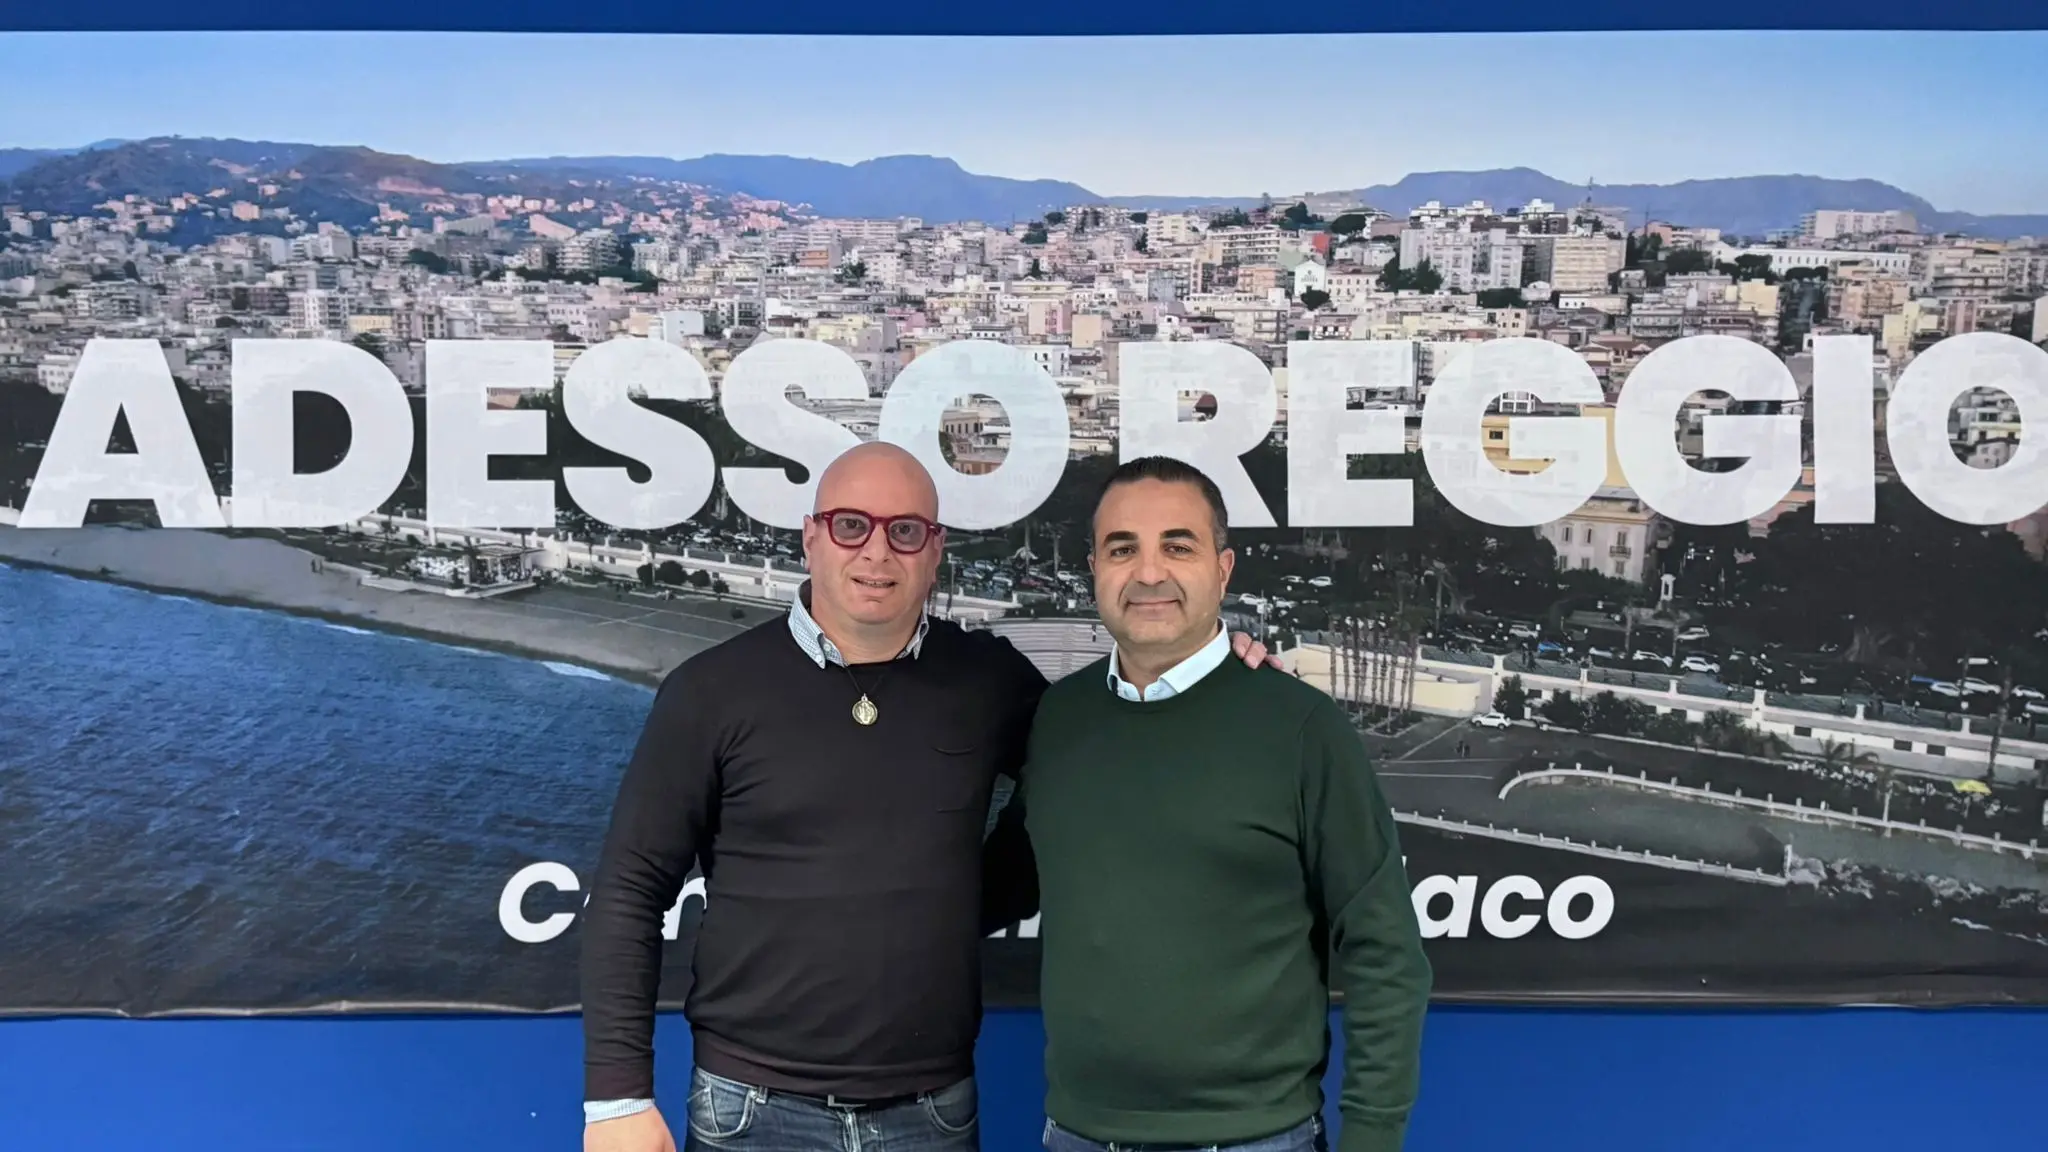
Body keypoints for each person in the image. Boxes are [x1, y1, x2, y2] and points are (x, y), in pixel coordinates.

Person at [580, 442, 1273, 1152]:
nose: (877, 552)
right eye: (852, 525)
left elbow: (1104, 762)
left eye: (906, 531)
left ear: (935, 551)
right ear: (811, 537)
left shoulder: (986, 679)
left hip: (931, 1113)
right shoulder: (709, 693)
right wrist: (616, 1099)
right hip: (750, 1110)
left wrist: (1215, 666)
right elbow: (631, 890)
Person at [999, 455, 1433, 1152]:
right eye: (1122, 549)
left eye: (1178, 546)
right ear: (1093, 568)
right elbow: (999, 882)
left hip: (1255, 1139)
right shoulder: (1057, 719)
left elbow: (1386, 954)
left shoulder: (1301, 728)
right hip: (1077, 1135)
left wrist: (1372, 1138)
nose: (1148, 573)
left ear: (1223, 570)